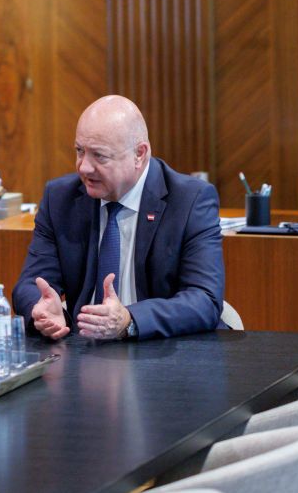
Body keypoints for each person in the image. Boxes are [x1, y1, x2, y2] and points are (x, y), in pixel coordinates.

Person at [13, 95, 223, 341]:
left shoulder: (190, 200)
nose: (84, 167)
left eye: (99, 156)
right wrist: (42, 310)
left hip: (163, 348)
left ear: (139, 154)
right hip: (83, 351)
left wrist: (130, 320)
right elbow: (30, 284)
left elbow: (205, 299)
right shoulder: (60, 198)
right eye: (80, 151)